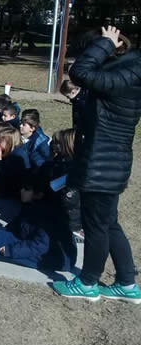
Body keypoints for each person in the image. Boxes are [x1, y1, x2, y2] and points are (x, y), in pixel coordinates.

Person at [53, 26, 141, 304]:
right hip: (107, 162)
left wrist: (104, 43)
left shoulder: (126, 74)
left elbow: (80, 72)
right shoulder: (126, 70)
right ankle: (127, 283)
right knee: (108, 223)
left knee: (96, 227)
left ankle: (88, 282)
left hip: (102, 165)